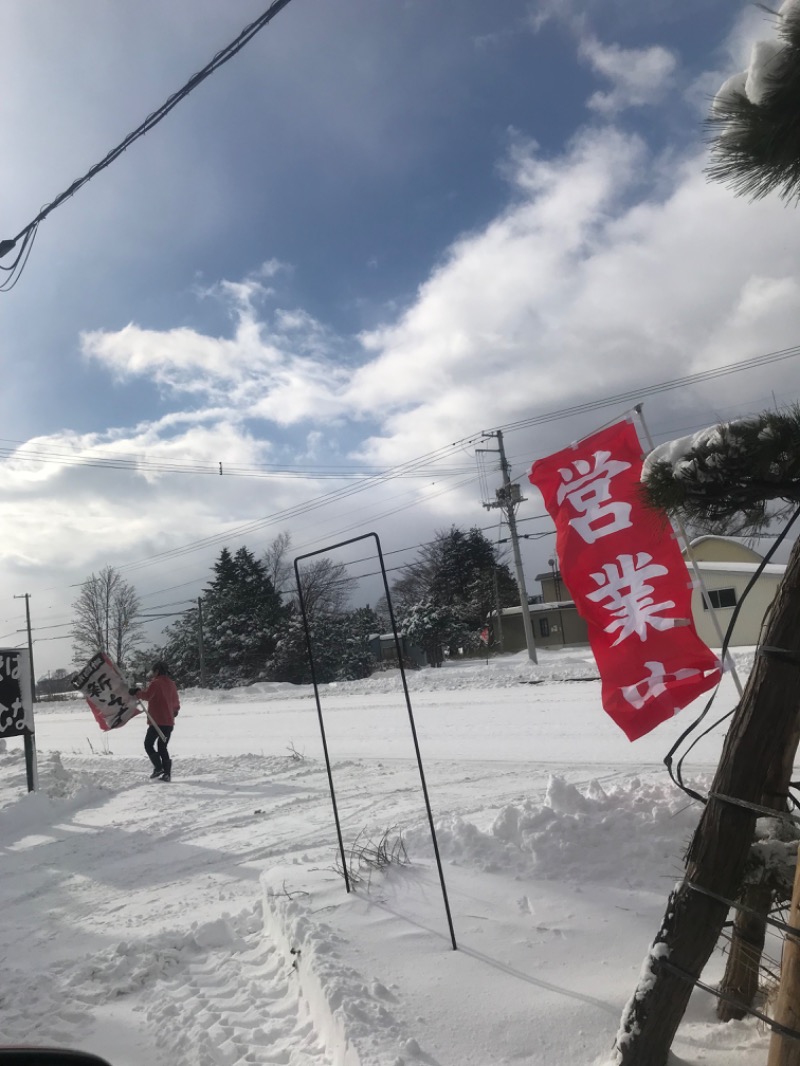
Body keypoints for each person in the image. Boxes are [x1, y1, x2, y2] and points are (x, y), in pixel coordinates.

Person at [131, 661, 180, 782]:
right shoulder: (172, 684)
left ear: (157, 670)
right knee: (162, 747)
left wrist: (136, 692)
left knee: (148, 744)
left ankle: (158, 768)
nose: (152, 673)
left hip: (157, 722)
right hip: (169, 723)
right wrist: (174, 711)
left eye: (153, 671)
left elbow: (147, 696)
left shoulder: (156, 683)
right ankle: (167, 774)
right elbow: (175, 703)